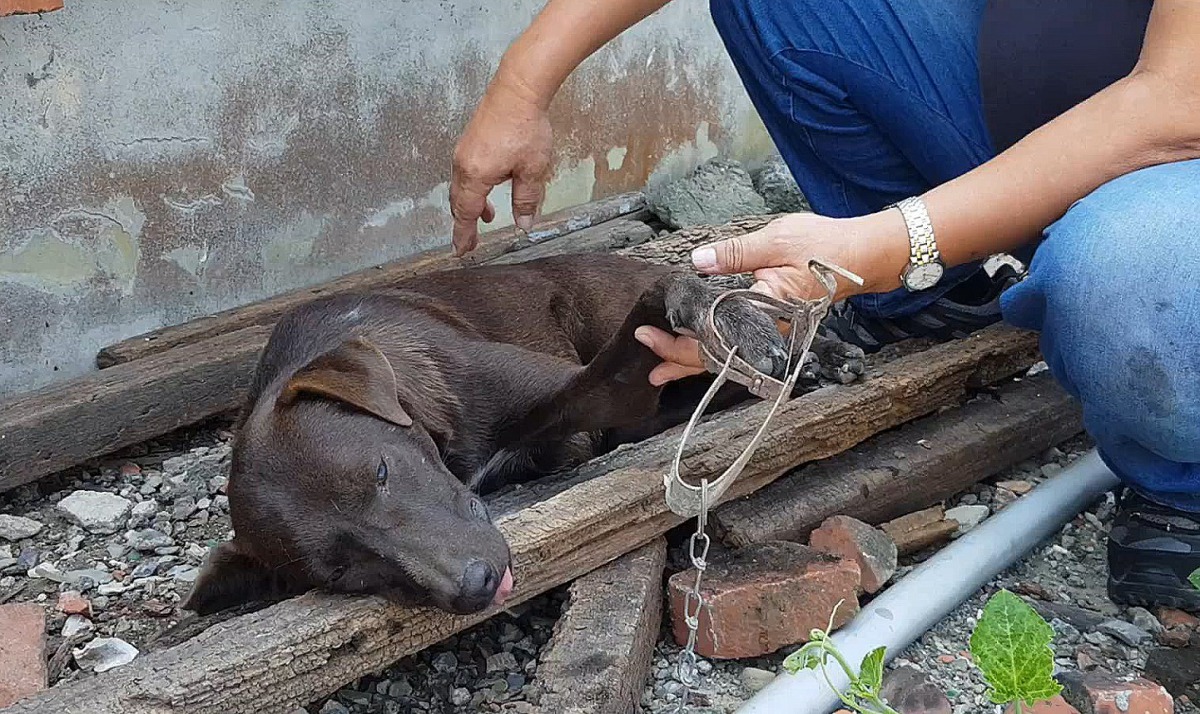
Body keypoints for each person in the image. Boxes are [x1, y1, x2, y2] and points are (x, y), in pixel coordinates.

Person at [448, 0, 1200, 611]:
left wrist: (877, 246)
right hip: (1028, 113)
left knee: (1125, 278)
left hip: (1177, 154)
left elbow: (1177, 103)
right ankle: (944, 283)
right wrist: (521, 83)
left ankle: (1178, 480)